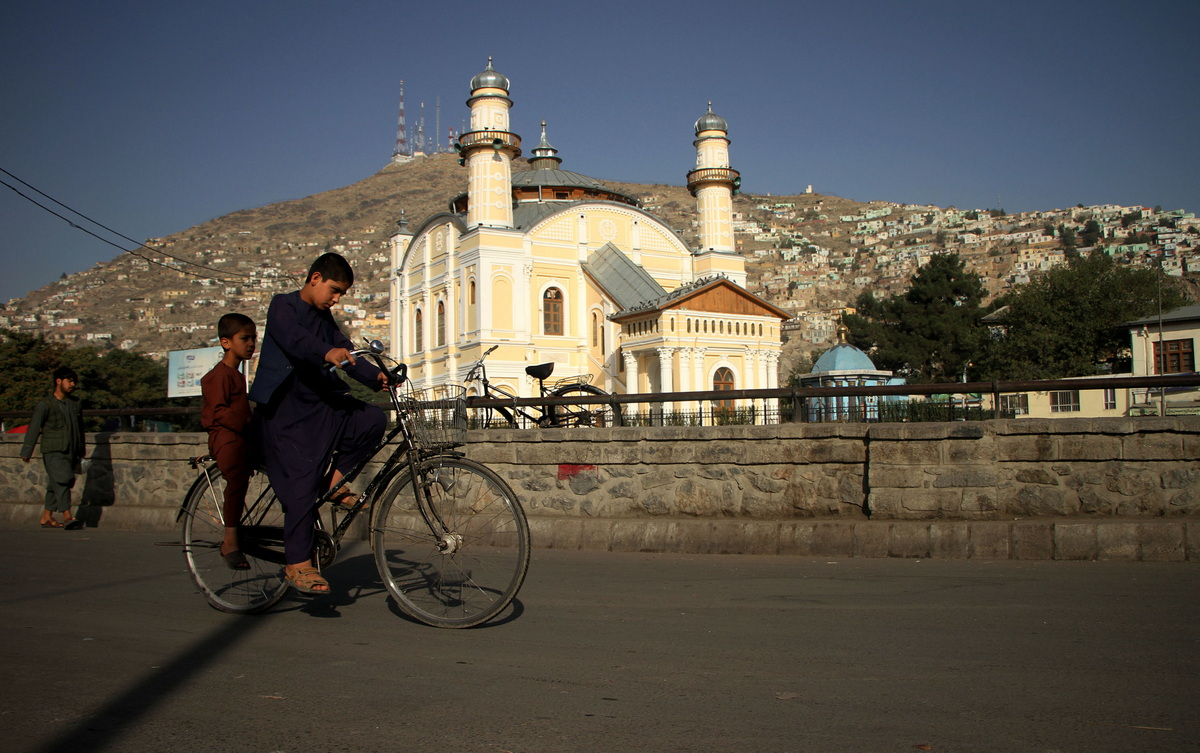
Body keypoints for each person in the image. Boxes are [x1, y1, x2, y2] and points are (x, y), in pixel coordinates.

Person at [248, 252, 387, 595]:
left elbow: (345, 350)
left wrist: (377, 377)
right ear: (315, 278)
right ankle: (297, 563)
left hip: (321, 403)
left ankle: (333, 484)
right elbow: (296, 339)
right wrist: (326, 354)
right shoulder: (283, 306)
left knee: (371, 418)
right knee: (302, 481)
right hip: (286, 412)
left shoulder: (325, 319)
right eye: (335, 290)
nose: (337, 299)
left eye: (342, 294)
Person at [200, 313, 257, 570]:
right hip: (226, 438)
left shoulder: (236, 374)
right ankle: (230, 541)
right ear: (226, 342)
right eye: (245, 338)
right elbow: (218, 412)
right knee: (235, 483)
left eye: (253, 338)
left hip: (240, 436)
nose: (251, 343)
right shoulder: (219, 375)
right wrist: (247, 423)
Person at [21, 366, 87, 530]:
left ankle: (46, 516)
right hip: (53, 450)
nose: (72, 384)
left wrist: (81, 449)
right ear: (58, 381)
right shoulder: (45, 405)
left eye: (74, 381)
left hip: (71, 450)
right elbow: (34, 428)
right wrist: (26, 451)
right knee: (64, 479)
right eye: (69, 381)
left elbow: (80, 428)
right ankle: (67, 515)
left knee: (56, 483)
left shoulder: (75, 404)